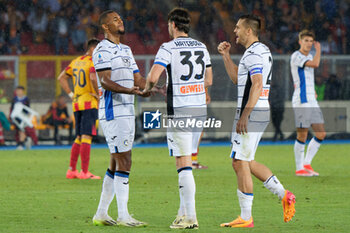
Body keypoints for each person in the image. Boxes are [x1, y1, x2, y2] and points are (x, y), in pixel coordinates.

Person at [217, 15, 295, 228]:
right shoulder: (257, 52)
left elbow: (258, 84)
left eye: (238, 27)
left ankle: (246, 217)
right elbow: (237, 79)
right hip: (256, 111)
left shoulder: (254, 53)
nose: (235, 31)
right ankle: (284, 195)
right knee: (246, 161)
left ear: (249, 31)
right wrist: (226, 56)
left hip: (251, 112)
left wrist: (245, 115)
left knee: (239, 162)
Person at [142, 8, 213, 229]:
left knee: (183, 165)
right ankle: (182, 212)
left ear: (173, 24)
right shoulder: (201, 46)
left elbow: (153, 76)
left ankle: (190, 217)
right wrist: (179, 87)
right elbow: (208, 80)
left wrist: (147, 89)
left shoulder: (168, 47)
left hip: (180, 111)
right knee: (188, 161)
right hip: (199, 109)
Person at [92, 10, 151, 227]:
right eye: (115, 19)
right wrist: (131, 91)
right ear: (106, 27)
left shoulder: (126, 49)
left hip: (127, 110)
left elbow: (138, 78)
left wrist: (151, 87)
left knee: (117, 162)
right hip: (112, 111)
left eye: (120, 18)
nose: (120, 21)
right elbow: (105, 81)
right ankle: (123, 215)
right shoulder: (101, 49)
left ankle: (101, 213)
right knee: (125, 160)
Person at [58, 38, 101, 180]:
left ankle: (71, 170)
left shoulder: (76, 61)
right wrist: (98, 95)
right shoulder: (92, 62)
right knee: (87, 136)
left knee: (79, 137)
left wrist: (71, 94)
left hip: (77, 103)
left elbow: (61, 78)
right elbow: (93, 78)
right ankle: (84, 172)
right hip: (89, 102)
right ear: (93, 49)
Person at [290, 30, 326, 177]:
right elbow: (316, 64)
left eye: (311, 41)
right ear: (300, 42)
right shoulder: (296, 56)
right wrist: (319, 50)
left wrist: (313, 91)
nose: (309, 43)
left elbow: (308, 76)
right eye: (306, 40)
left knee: (321, 133)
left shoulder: (309, 56)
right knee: (302, 134)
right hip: (301, 100)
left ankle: (306, 163)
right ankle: (299, 169)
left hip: (311, 99)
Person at [191, 88, 210, 169]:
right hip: (195, 99)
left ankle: (192, 161)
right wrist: (206, 92)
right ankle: (190, 161)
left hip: (190, 99)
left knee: (195, 132)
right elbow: (208, 81)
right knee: (195, 132)